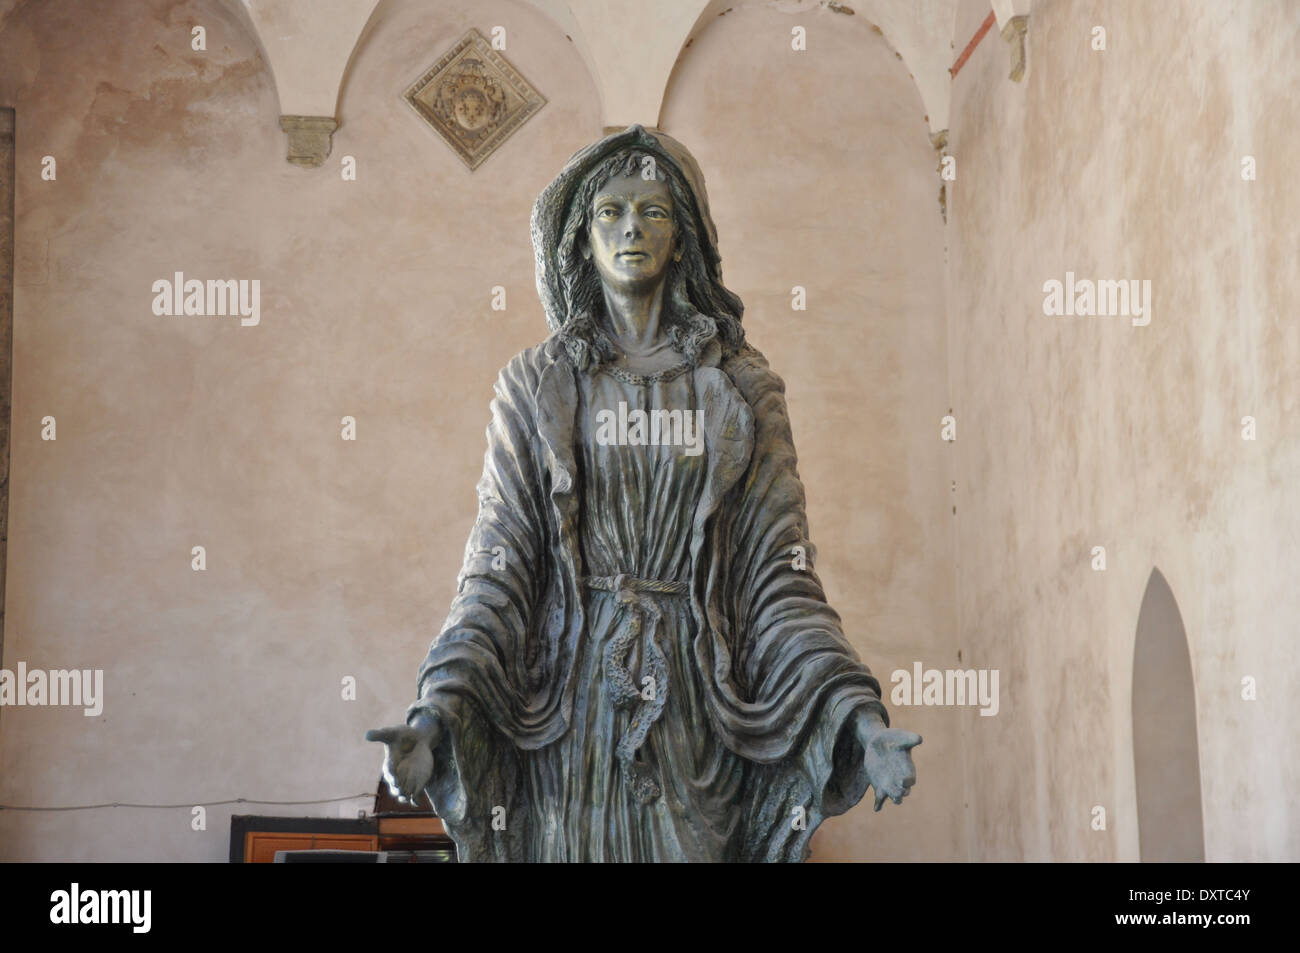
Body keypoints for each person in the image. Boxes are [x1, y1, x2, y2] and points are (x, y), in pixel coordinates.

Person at [367, 125, 920, 861]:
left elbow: (777, 580)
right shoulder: (535, 387)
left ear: (684, 238)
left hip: (697, 710)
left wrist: (857, 714)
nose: (631, 227)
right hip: (573, 714)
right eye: (610, 212)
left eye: (653, 211)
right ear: (580, 240)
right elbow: (498, 574)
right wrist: (438, 709)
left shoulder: (742, 388)